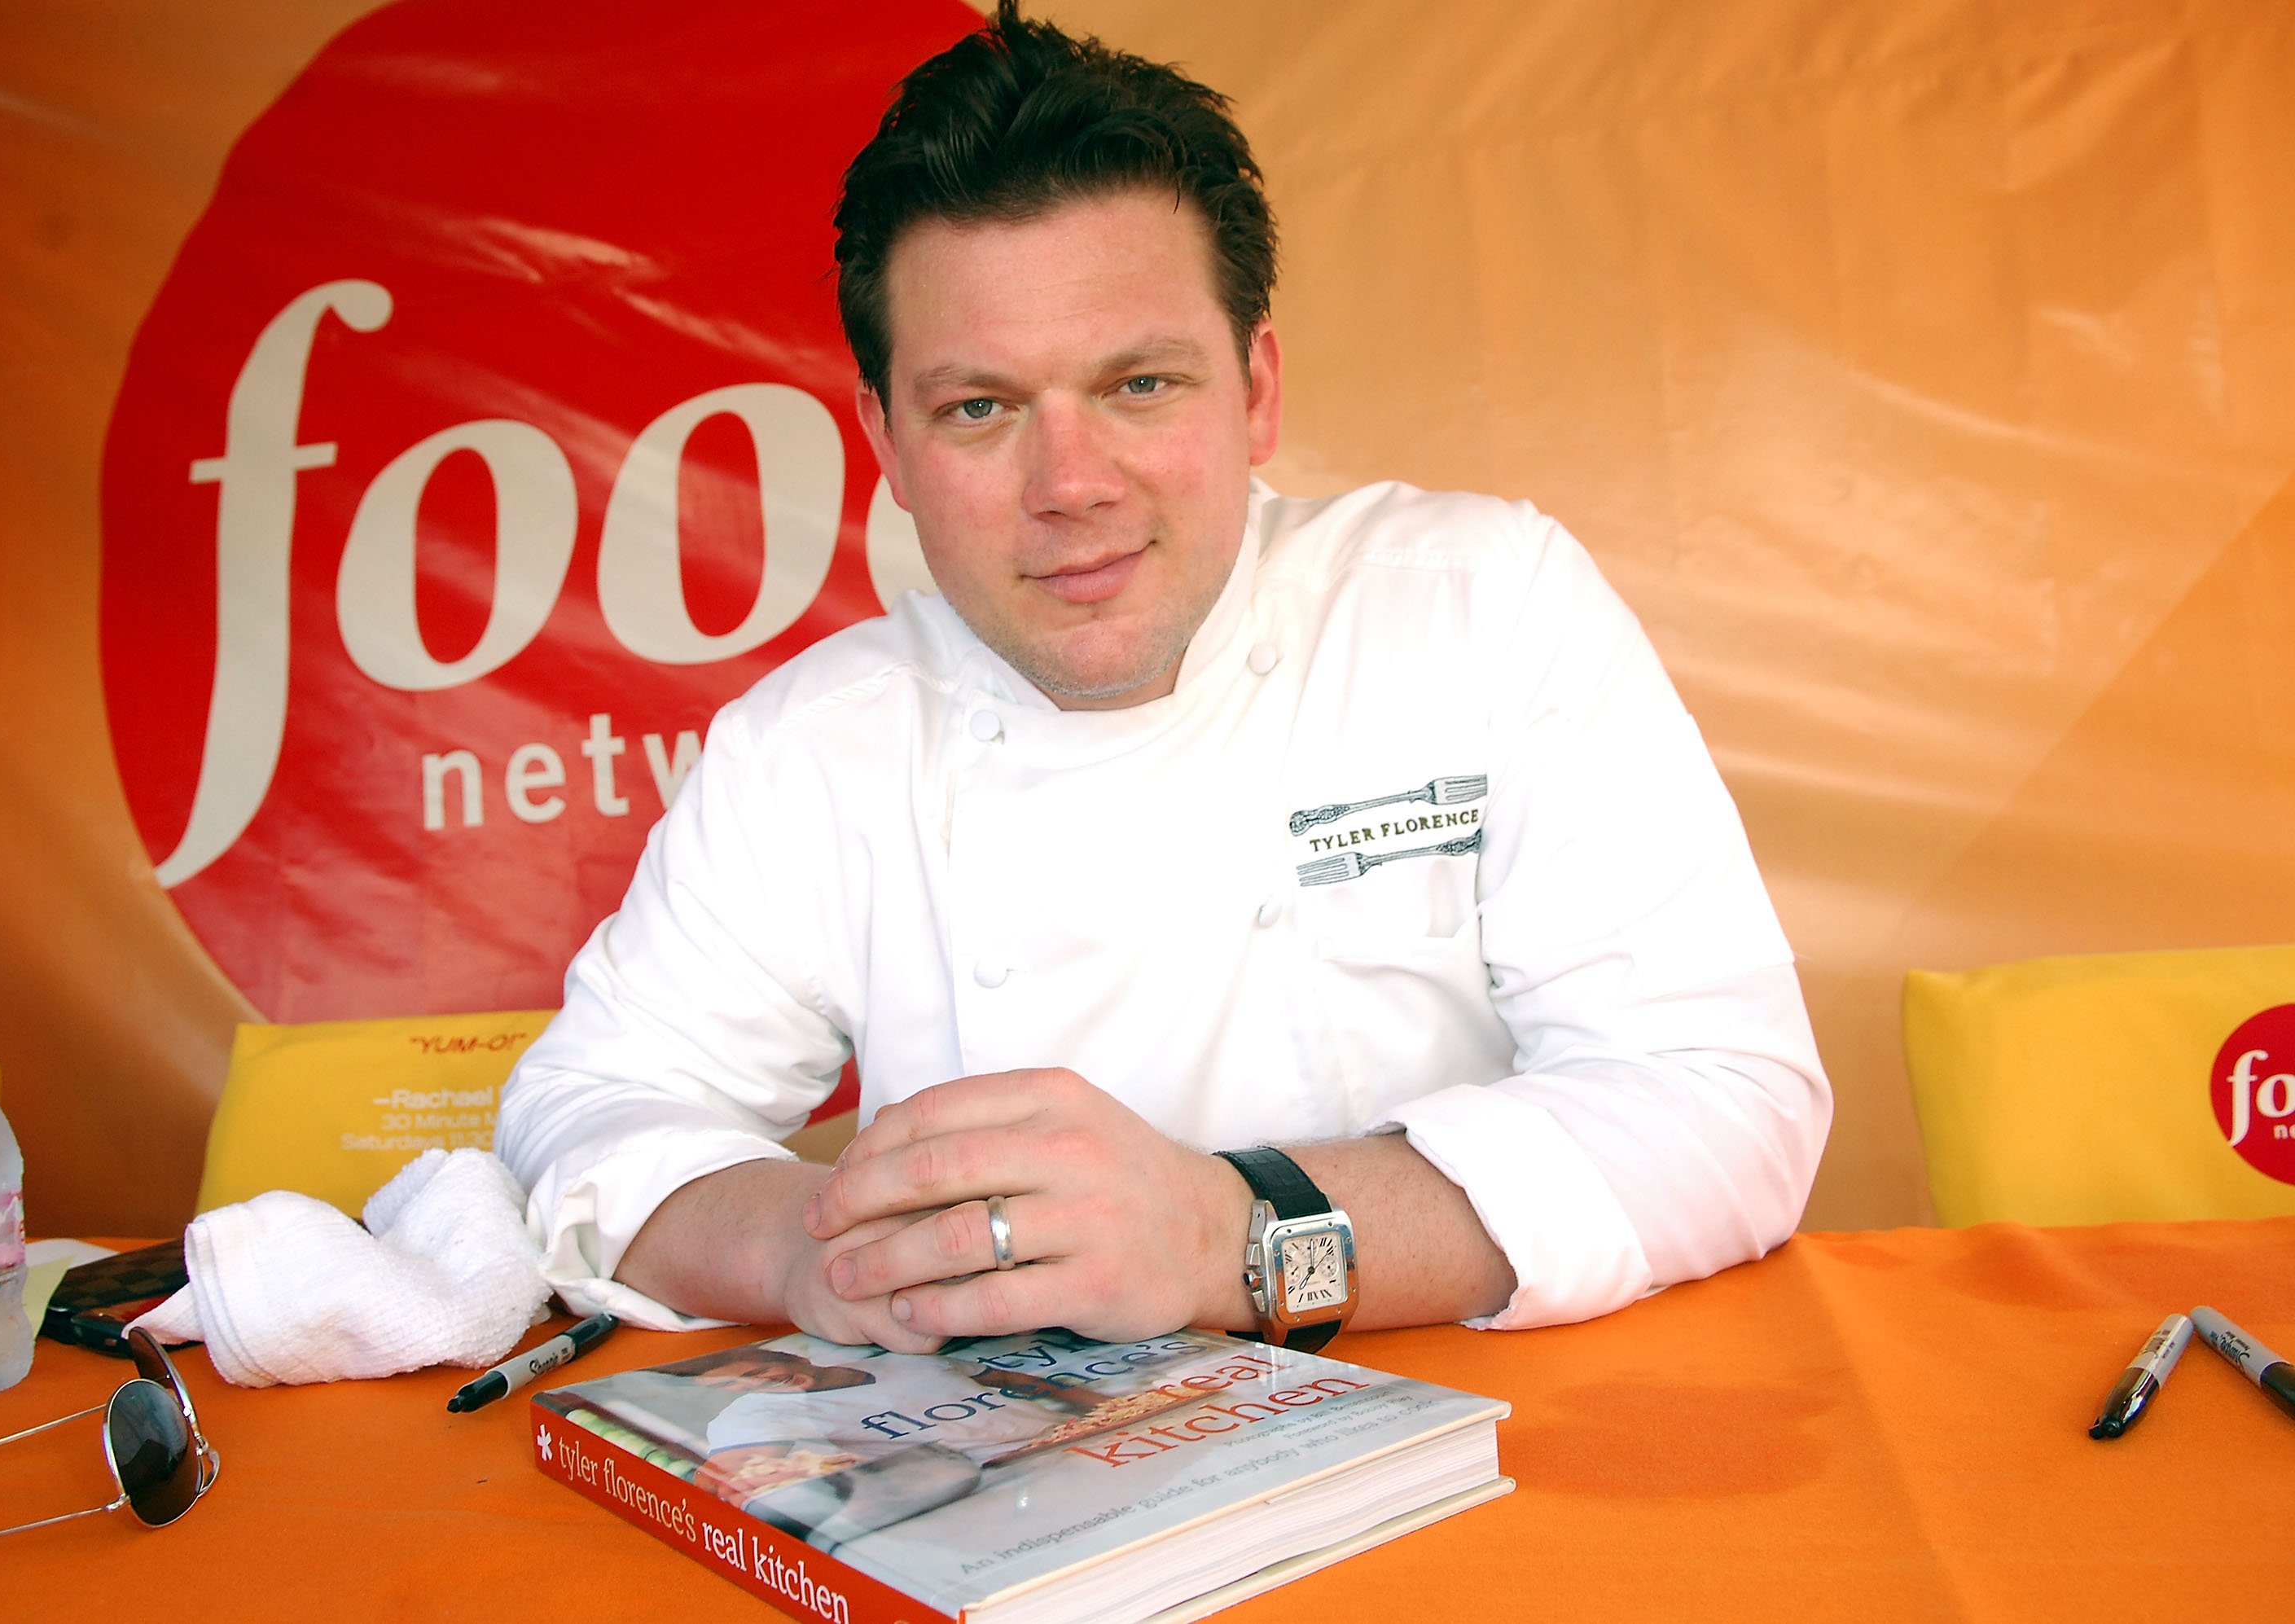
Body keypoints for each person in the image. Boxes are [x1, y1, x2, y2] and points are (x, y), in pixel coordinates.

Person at [494, 1, 1829, 1354]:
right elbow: (585, 1115)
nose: (1070, 487)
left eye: (1139, 385)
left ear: (1255, 392)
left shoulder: (1483, 606)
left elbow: (1727, 1098)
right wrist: (817, 1251)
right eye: (980, 409)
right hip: (1013, 1516)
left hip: (1501, 1461)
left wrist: (1224, 1234)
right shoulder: (814, 748)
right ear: (885, 442)